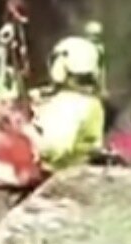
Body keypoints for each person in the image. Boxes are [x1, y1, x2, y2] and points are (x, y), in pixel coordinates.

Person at [27, 35, 107, 173]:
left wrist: (24, 130)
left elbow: (50, 148)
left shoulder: (72, 105)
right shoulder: (89, 103)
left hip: (54, 179)